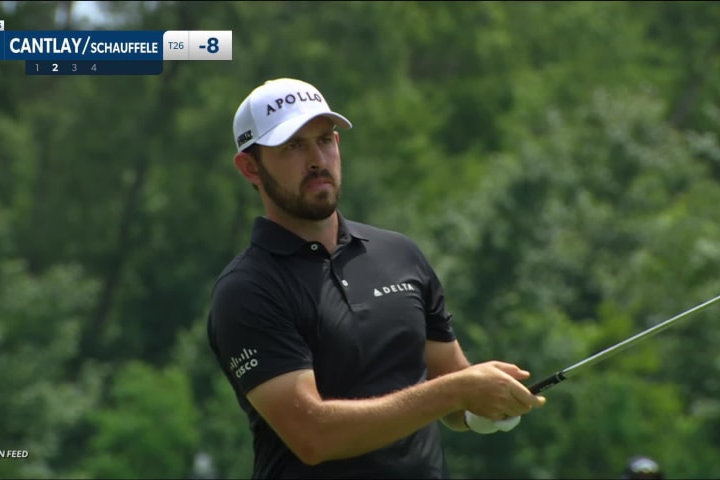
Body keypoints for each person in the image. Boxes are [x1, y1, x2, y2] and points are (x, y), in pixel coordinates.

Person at [206, 77, 547, 479]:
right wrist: (458, 391)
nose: (317, 159)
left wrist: (484, 408)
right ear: (250, 167)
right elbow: (313, 436)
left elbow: (451, 395)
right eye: (293, 146)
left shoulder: (399, 254)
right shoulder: (248, 289)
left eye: (325, 139)